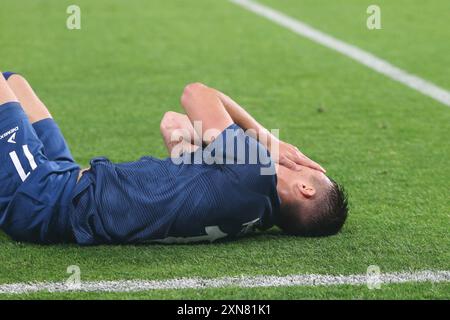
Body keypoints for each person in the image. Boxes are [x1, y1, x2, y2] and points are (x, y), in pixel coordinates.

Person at [0, 72, 348, 245]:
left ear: (304, 188)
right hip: (68, 179)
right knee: (13, 80)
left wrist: (268, 139)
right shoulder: (251, 213)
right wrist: (188, 146)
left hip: (44, 196)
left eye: (308, 166)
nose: (300, 159)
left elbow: (195, 93)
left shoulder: (256, 173)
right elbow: (176, 128)